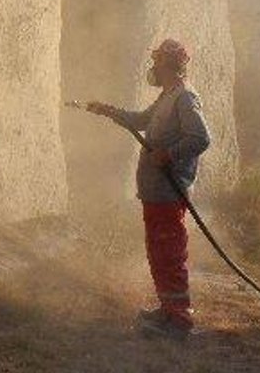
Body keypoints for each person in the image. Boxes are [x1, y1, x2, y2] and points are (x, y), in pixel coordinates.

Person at [86, 38, 211, 340]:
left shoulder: (184, 98)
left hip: (169, 192)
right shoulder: (167, 97)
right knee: (159, 252)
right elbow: (140, 120)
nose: (153, 67)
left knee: (169, 252)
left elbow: (201, 138)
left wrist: (168, 155)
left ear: (168, 66)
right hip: (156, 191)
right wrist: (107, 110)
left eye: (157, 62)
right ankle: (168, 309)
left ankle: (179, 319)